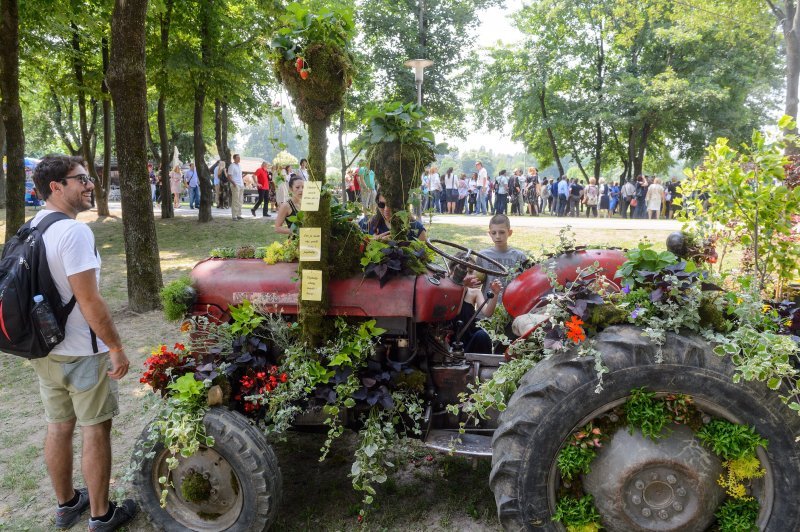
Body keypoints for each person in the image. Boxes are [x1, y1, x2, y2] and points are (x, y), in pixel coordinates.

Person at [29, 156, 137, 530]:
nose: (90, 184)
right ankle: (100, 514)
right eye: (81, 179)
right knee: (95, 428)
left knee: (58, 426)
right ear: (56, 187)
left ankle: (67, 504)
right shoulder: (73, 232)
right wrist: (116, 347)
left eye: (89, 177)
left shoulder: (34, 226)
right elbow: (89, 300)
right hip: (81, 351)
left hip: (45, 351)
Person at [448, 253, 503, 354]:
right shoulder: (446, 291)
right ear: (451, 271)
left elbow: (487, 312)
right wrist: (462, 286)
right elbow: (454, 311)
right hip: (449, 342)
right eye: (460, 271)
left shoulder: (474, 292)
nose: (466, 275)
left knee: (482, 336)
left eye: (470, 272)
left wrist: (495, 293)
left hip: (469, 341)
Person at [477, 213, 528, 303]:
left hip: (511, 306)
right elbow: (477, 281)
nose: (497, 236)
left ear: (510, 232)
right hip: (487, 307)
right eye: (494, 233)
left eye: (502, 232)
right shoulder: (482, 256)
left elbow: (525, 284)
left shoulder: (519, 256)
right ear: (490, 234)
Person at [360, 193, 427, 241]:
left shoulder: (417, 229)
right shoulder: (366, 223)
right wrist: (372, 241)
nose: (386, 209)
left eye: (391, 205)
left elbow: (424, 258)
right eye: (382, 204)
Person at [228, 154, 245, 220]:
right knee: (235, 200)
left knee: (240, 200)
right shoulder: (232, 166)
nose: (239, 159)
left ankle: (239, 215)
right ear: (234, 159)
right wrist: (234, 183)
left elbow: (240, 176)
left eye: (239, 157)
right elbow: (229, 176)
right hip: (235, 185)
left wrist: (242, 183)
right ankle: (234, 216)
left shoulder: (240, 166)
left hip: (241, 185)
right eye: (237, 158)